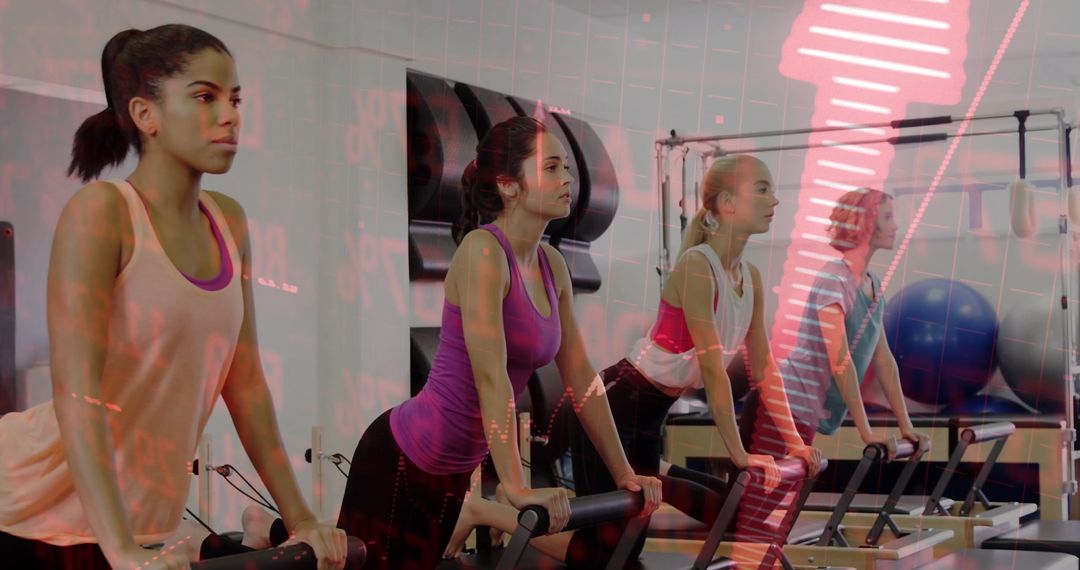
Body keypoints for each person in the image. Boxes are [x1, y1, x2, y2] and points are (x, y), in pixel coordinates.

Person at [0, 25, 345, 570]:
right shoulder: (101, 213)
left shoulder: (229, 222)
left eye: (234, 99)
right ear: (145, 115)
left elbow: (247, 385)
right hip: (31, 511)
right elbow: (77, 393)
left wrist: (302, 518)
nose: (230, 115)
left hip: (143, 524)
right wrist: (119, 548)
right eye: (205, 97)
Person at [336, 116, 662, 569]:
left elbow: (583, 379)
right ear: (509, 186)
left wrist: (624, 472)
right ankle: (242, 540)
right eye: (551, 167)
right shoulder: (483, 252)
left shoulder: (552, 265)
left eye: (566, 167)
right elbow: (491, 377)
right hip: (401, 461)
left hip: (450, 475)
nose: (567, 178)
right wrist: (516, 485)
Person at [569, 154, 823, 566]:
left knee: (625, 550)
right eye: (762, 189)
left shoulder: (750, 277)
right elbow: (711, 368)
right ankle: (491, 516)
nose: (774, 201)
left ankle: (659, 473)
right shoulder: (697, 268)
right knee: (605, 555)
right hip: (612, 405)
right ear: (727, 202)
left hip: (649, 418)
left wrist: (795, 442)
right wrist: (739, 454)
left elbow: (765, 370)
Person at [734, 188, 931, 556]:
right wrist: (866, 432)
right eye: (888, 217)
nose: (897, 225)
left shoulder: (872, 286)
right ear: (865, 225)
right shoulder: (833, 280)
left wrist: (906, 426)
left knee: (771, 518)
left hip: (802, 415)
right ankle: (668, 483)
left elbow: (883, 361)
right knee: (757, 521)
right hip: (779, 410)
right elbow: (839, 359)